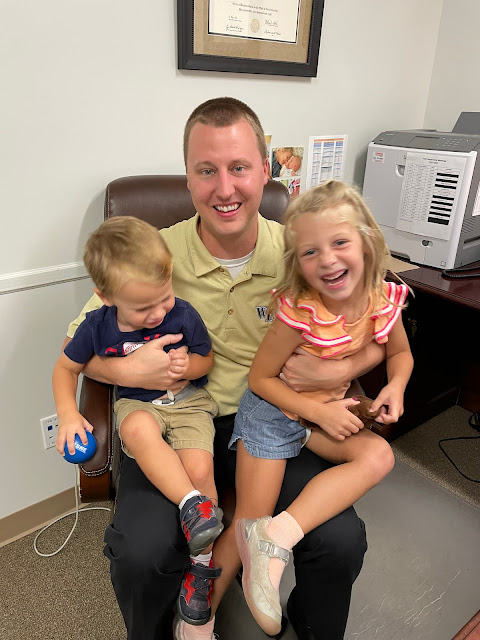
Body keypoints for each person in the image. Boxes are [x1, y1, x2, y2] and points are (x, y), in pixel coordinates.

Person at [64, 97, 386, 640]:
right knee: (140, 549)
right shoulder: (152, 256)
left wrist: (343, 370)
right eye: (206, 170)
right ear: (188, 177)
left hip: (271, 423)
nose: (225, 188)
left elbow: (373, 324)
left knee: (339, 541)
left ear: (265, 171)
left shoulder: (302, 253)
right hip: (174, 420)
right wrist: (131, 373)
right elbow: (77, 345)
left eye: (239, 167)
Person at [230, 180, 414, 635]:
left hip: (324, 416)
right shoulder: (300, 313)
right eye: (310, 252)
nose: (328, 260)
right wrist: (320, 412)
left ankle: (277, 537)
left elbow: (400, 354)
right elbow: (260, 379)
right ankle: (201, 613)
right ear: (298, 263)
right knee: (247, 519)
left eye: (340, 243)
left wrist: (395, 387)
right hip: (273, 415)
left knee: (380, 455)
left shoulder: (381, 299)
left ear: (366, 241)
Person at [54, 216, 223, 626]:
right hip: (139, 404)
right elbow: (65, 368)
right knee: (135, 429)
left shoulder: (182, 314)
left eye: (164, 297)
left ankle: (201, 569)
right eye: (144, 308)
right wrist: (68, 414)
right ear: (105, 296)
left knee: (201, 468)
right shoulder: (97, 326)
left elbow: (206, 360)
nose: (159, 312)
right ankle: (191, 504)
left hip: (188, 402)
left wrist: (188, 366)